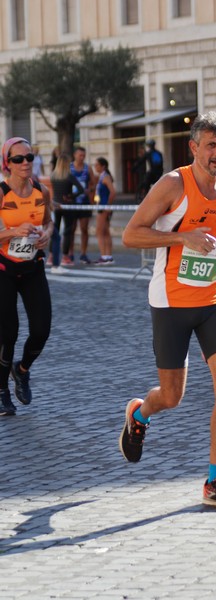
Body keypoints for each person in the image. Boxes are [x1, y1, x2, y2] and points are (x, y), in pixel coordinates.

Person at [120, 112, 216, 509]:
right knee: (173, 396)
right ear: (193, 147)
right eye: (211, 145)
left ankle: (214, 482)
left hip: (213, 301)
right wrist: (182, 236)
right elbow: (130, 234)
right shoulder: (173, 184)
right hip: (171, 302)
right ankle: (140, 413)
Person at [0, 137, 53, 416]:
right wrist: (12, 231)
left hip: (33, 267)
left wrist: (46, 235)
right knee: (8, 333)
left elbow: (49, 222)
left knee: (42, 330)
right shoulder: (1, 193)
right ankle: (1, 392)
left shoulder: (41, 191)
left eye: (29, 157)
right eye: (18, 159)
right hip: (4, 269)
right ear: (7, 164)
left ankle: (21, 371)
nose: (25, 163)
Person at [49, 153, 84, 272]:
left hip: (55, 205)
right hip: (68, 206)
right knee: (68, 231)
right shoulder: (69, 176)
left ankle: (51, 256)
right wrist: (71, 196)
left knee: (55, 231)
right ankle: (65, 256)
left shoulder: (53, 176)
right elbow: (81, 189)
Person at [69, 146, 95, 265]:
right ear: (74, 155)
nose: (82, 158)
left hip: (84, 202)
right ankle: (70, 253)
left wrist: (90, 194)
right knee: (71, 229)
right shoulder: (69, 168)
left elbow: (93, 184)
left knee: (84, 229)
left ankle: (83, 253)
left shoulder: (87, 168)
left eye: (83, 156)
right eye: (80, 155)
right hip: (72, 202)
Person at [93, 157, 116, 265]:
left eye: (97, 165)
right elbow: (99, 193)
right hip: (100, 206)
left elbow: (112, 192)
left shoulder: (105, 177)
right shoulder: (101, 177)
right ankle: (108, 256)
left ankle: (104, 256)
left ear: (103, 166)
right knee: (105, 231)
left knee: (99, 231)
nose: (95, 167)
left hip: (103, 208)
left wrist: (108, 205)